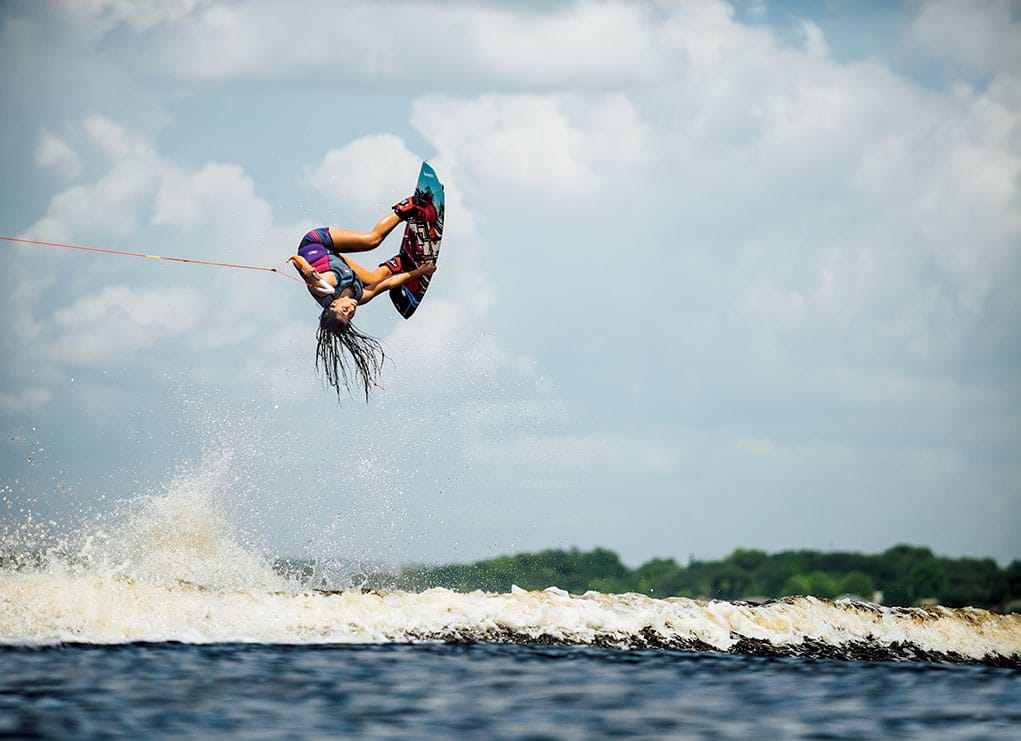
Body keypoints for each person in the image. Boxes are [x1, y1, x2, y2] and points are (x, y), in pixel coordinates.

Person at [288, 196, 438, 400]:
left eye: (344, 311)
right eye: (349, 316)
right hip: (337, 259)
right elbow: (387, 284)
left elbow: (302, 267)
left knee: (372, 240)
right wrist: (419, 272)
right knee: (374, 279)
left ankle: (409, 206)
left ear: (333, 305)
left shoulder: (327, 285)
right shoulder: (360, 298)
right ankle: (398, 263)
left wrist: (305, 269)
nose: (350, 311)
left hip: (316, 243)